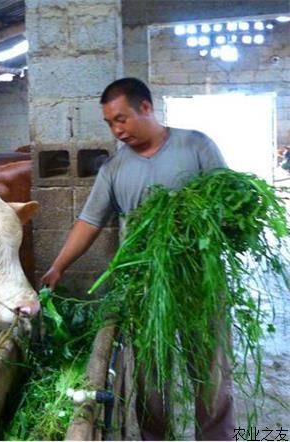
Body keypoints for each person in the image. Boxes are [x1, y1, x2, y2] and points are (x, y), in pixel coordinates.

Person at [41, 77, 235, 440]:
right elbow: (89, 221)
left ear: (146, 107)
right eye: (110, 123)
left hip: (199, 281)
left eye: (121, 119)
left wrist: (196, 221)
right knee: (150, 378)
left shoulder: (196, 146)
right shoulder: (114, 169)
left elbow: (225, 201)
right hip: (144, 287)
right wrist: (58, 265)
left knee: (210, 372)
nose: (117, 130)